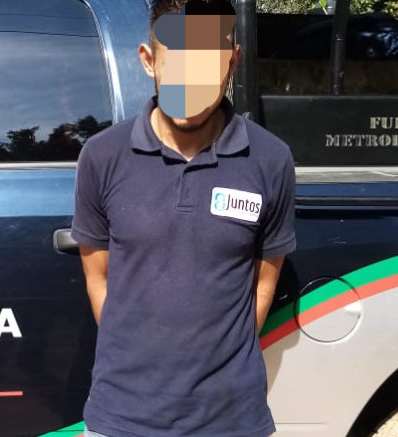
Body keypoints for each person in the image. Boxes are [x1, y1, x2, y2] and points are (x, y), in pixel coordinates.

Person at [71, 0, 296, 435]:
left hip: (231, 421)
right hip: (122, 419)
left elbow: (263, 285)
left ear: (231, 61)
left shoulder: (271, 159)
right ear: (149, 60)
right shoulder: (101, 156)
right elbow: (99, 280)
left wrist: (216, 367)